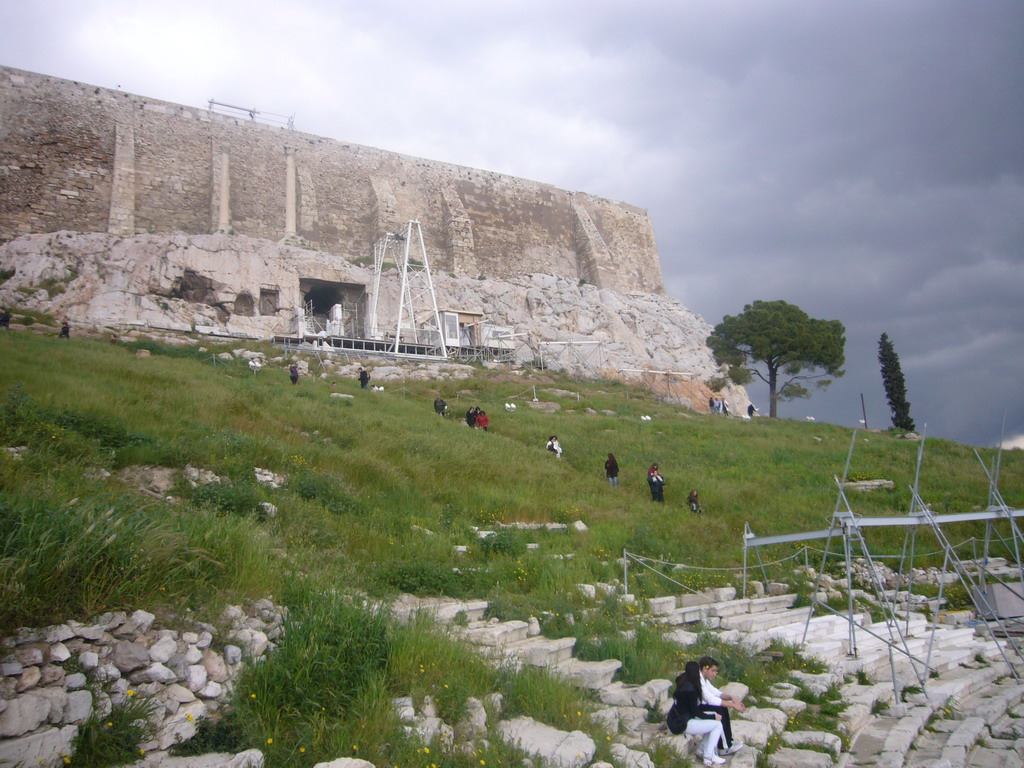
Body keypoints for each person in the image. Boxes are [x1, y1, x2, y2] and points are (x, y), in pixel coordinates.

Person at [666, 661, 726, 766]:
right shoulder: (691, 690)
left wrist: (711, 716)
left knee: (712, 722)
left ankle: (702, 748)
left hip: (676, 719)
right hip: (682, 724)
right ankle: (708, 755)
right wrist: (713, 716)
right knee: (717, 725)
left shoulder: (683, 682)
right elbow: (696, 712)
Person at [698, 657, 745, 756]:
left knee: (723, 707)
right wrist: (733, 705)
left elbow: (716, 693)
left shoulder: (704, 680)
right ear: (704, 669)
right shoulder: (699, 681)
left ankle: (729, 741)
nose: (715, 674)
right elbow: (710, 699)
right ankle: (724, 747)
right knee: (718, 710)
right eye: (713, 670)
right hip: (695, 709)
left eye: (716, 671)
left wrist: (731, 697)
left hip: (701, 705)